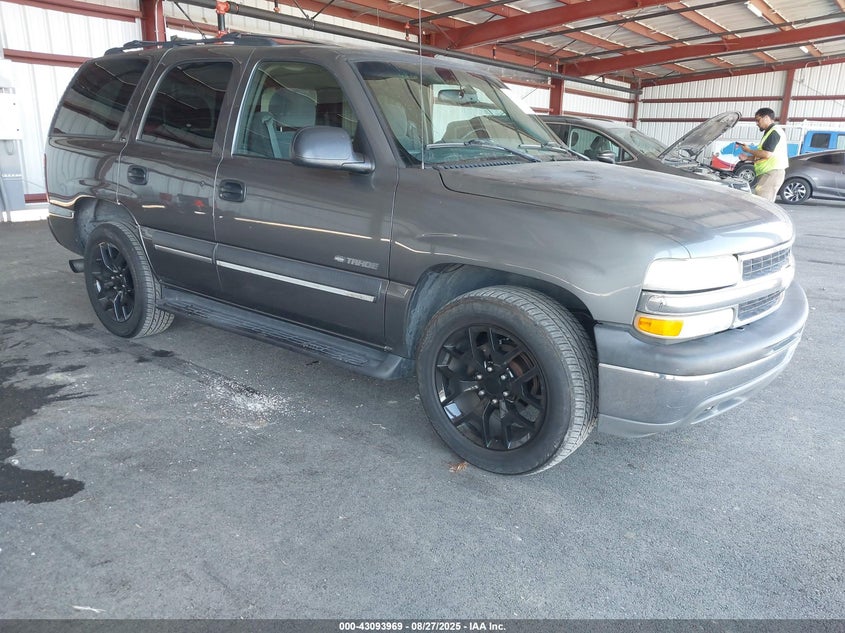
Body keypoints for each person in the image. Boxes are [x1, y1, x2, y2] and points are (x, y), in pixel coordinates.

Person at [738, 108, 789, 201]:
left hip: (771, 173)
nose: (757, 123)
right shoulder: (770, 132)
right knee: (761, 204)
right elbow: (764, 155)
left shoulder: (774, 132)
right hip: (768, 173)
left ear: (766, 118)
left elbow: (766, 154)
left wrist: (748, 150)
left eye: (758, 120)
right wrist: (747, 158)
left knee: (763, 205)